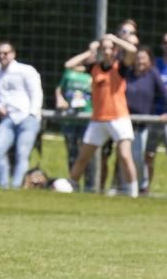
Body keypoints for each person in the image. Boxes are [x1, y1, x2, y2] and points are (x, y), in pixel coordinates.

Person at [56, 34, 139, 197]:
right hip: (98, 119)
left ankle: (133, 192)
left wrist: (115, 39)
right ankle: (72, 184)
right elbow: (69, 65)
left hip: (119, 118)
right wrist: (90, 51)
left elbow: (132, 50)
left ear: (115, 50)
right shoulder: (94, 67)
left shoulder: (120, 67)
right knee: (83, 157)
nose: (107, 51)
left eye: (110, 48)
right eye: (104, 48)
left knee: (124, 155)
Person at [0, 42, 44, 189]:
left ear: (13, 54)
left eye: (5, 53)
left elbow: (36, 93)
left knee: (22, 153)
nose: (2, 56)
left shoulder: (25, 70)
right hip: (8, 118)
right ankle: (4, 185)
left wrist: (33, 114)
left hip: (27, 117)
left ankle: (16, 185)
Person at [120, 45, 167, 193]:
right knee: (123, 156)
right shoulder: (127, 73)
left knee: (137, 156)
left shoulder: (152, 74)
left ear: (149, 60)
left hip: (142, 124)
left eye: (143, 58)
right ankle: (124, 186)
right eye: (137, 58)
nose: (140, 61)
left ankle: (141, 185)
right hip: (124, 121)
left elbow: (165, 94)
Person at [54, 62, 95, 191]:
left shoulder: (97, 71)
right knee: (72, 154)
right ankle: (73, 184)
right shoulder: (70, 72)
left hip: (88, 119)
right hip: (70, 119)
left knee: (88, 155)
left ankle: (90, 187)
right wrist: (60, 99)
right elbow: (59, 89)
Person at [147, 32, 167, 200]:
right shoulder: (155, 64)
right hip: (154, 115)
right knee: (149, 156)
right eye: (166, 42)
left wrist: (160, 87)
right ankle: (146, 190)